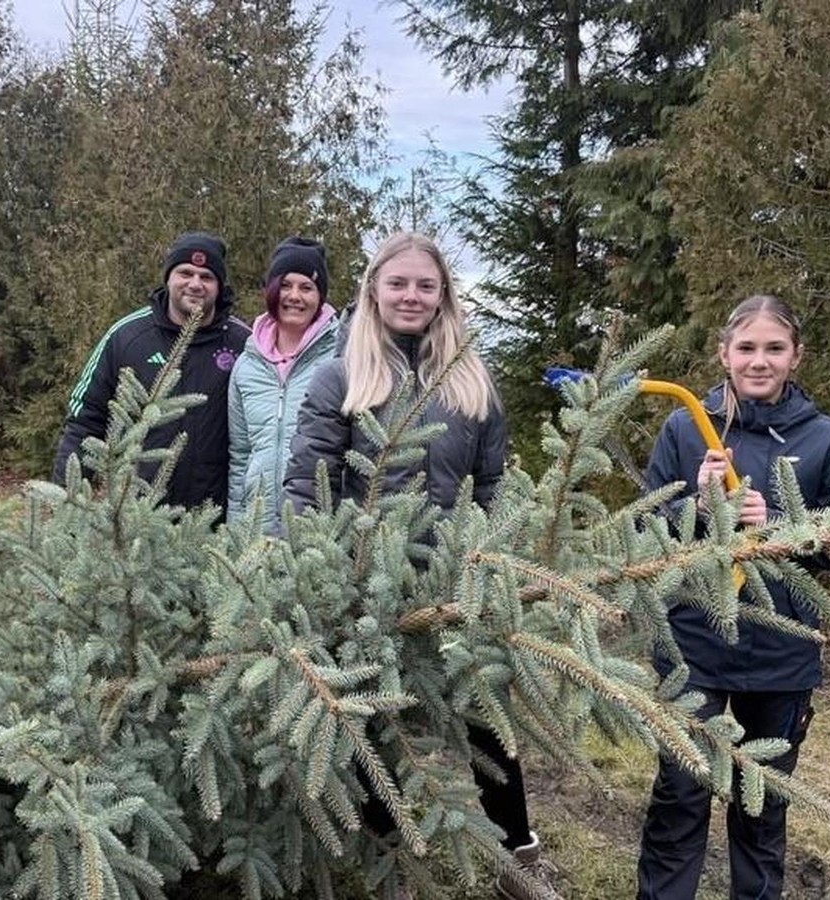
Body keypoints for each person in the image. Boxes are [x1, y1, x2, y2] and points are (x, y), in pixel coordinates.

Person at [282, 231, 548, 900]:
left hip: (454, 586)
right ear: (373, 289)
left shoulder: (472, 380)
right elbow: (307, 487)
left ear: (443, 296)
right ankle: (398, 865)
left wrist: (486, 563)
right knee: (384, 725)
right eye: (398, 283)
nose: (411, 295)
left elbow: (490, 489)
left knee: (485, 714)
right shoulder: (341, 375)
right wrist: (322, 571)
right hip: (365, 589)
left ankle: (518, 855)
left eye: (425, 285)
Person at [636, 295, 830, 900]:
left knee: (761, 805)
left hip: (780, 653)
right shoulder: (686, 427)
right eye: (746, 348)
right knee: (680, 793)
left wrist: (783, 524)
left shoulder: (825, 438)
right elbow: (643, 527)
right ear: (724, 353)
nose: (759, 361)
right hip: (693, 643)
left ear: (795, 357)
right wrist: (698, 507)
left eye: (774, 349)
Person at [52, 231, 250, 514]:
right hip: (139, 519)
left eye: (206, 276)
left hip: (217, 520)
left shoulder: (244, 343)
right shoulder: (126, 336)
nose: (195, 284)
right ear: (168, 277)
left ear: (219, 286)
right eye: (185, 272)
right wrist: (67, 507)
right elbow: (84, 424)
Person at [227, 236, 341, 532]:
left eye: (307, 287)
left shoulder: (342, 357)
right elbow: (240, 455)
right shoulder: (246, 365)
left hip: (318, 529)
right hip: (256, 528)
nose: (295, 296)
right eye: (286, 285)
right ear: (271, 290)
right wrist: (237, 528)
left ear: (321, 296)